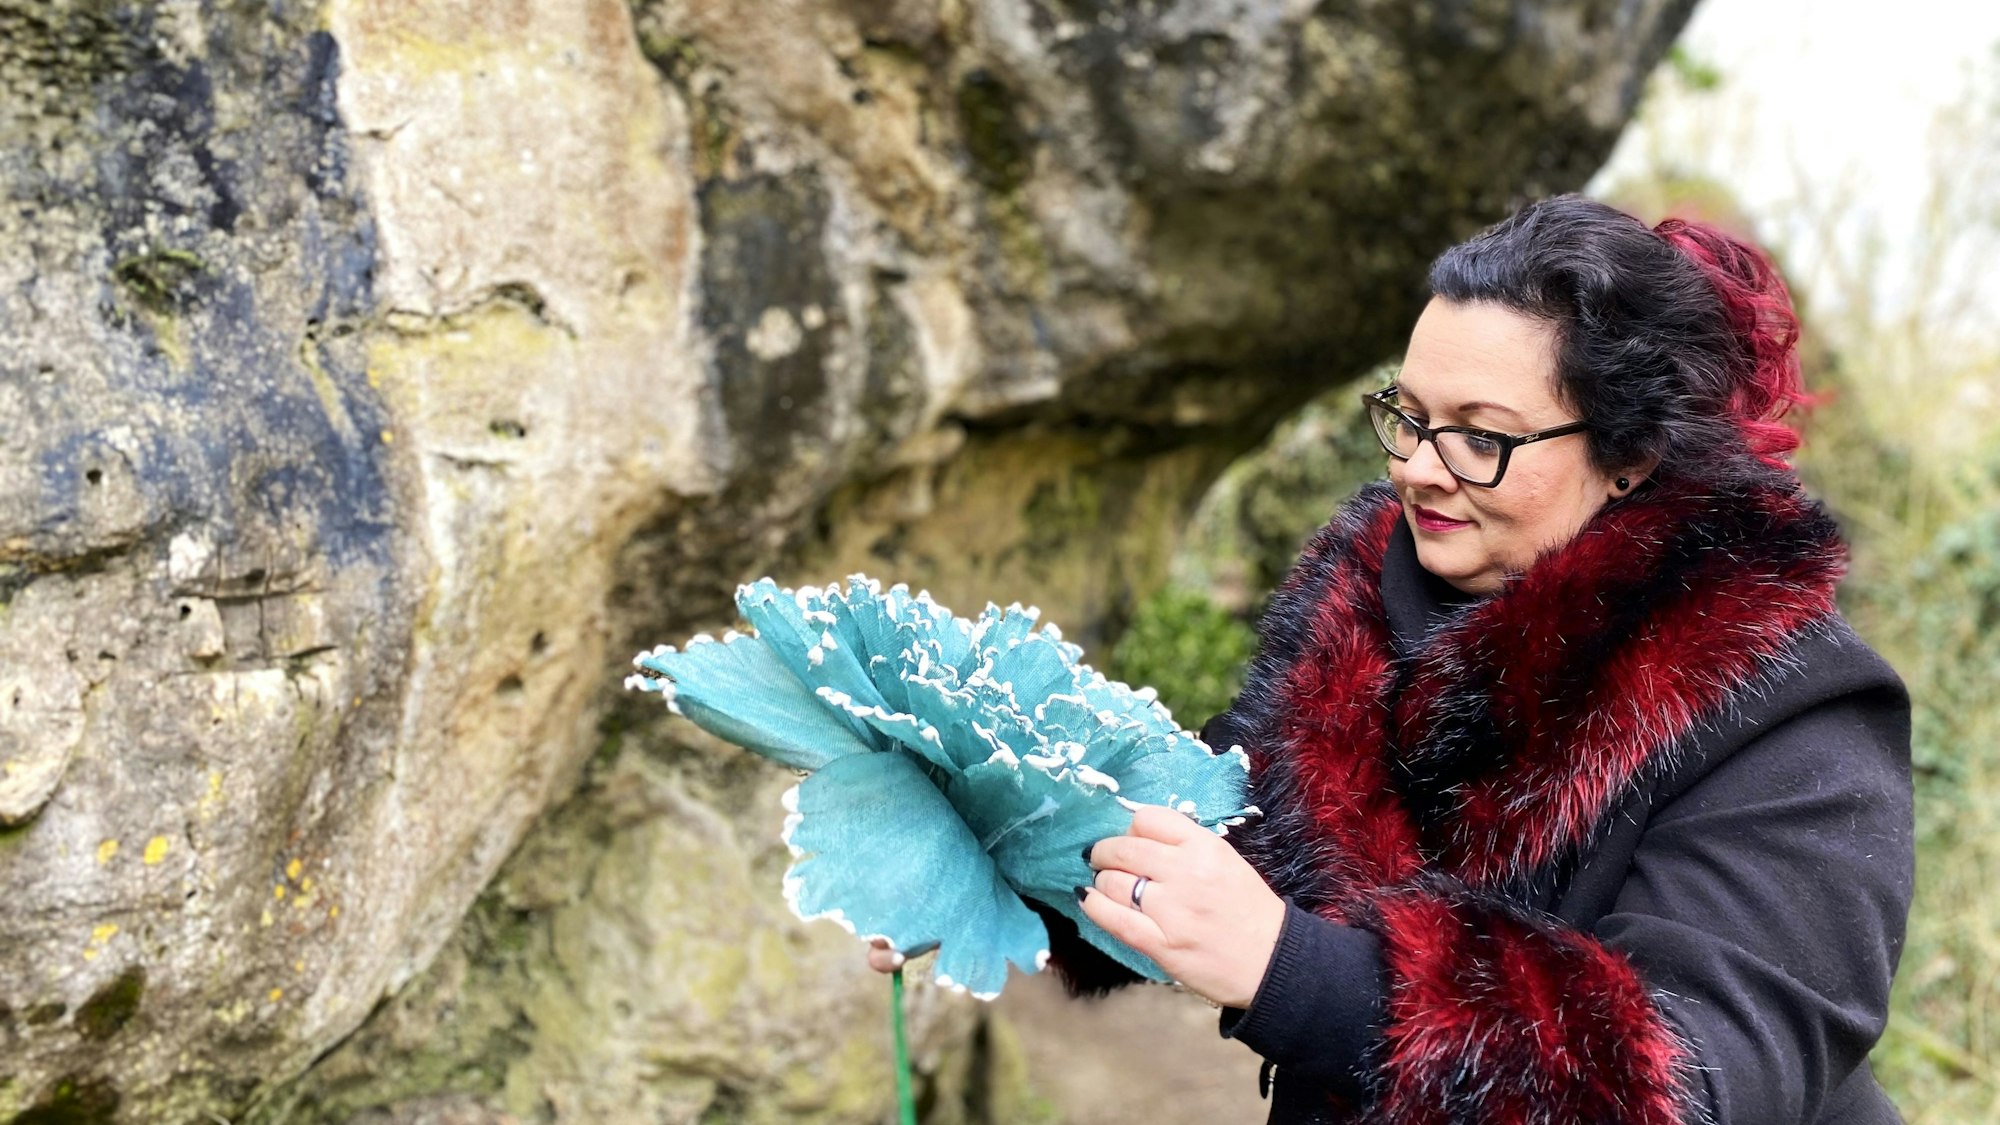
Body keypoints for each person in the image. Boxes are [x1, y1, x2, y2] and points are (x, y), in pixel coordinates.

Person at [869, 193, 1915, 1124]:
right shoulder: (1361, 622)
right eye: (1408, 417)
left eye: (1480, 437)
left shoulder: (1793, 709)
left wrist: (1296, 973)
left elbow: (1685, 1081)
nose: (1418, 467)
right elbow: (1217, 825)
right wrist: (1001, 870)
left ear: (1628, 457)